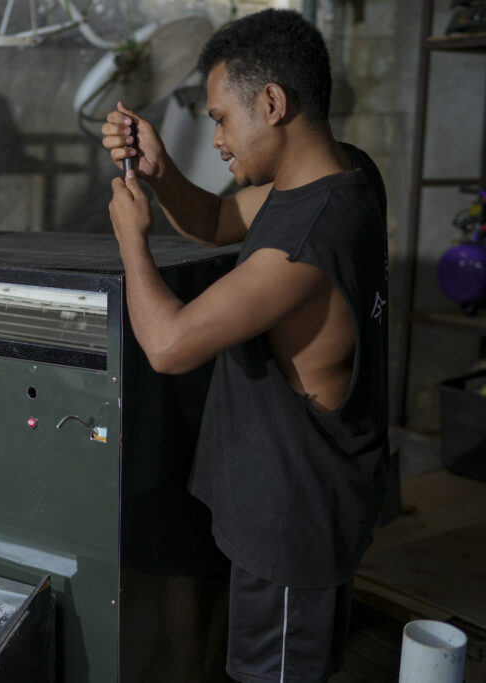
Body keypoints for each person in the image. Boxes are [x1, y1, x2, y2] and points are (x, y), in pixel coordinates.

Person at [102, 9, 388, 682]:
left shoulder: (305, 242)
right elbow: (220, 218)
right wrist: (161, 169)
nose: (220, 138)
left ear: (273, 101)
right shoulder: (342, 179)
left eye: (222, 118)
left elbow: (169, 344)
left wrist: (130, 240)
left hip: (292, 528)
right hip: (300, 500)